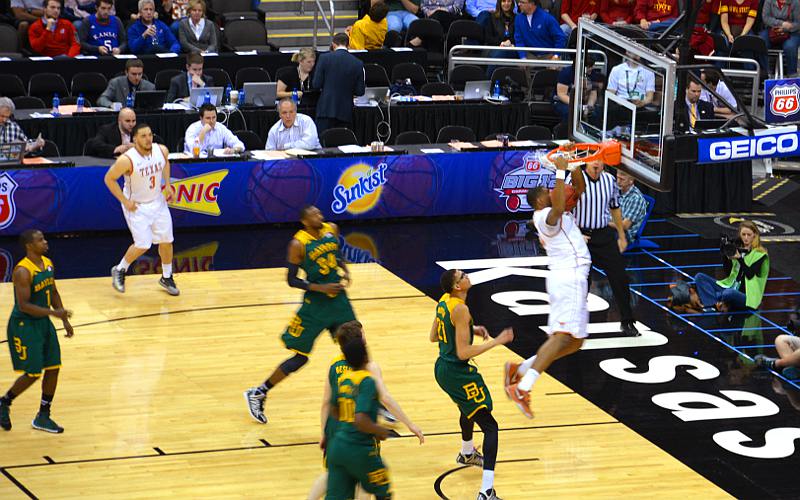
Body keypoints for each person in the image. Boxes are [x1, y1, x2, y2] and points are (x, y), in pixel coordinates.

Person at [243, 205, 356, 424]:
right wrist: (320, 288)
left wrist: (345, 269)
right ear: (304, 221)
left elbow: (335, 252)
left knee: (356, 348)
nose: (319, 217)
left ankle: (371, 401)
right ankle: (259, 392)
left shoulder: (331, 228)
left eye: (319, 213)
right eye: (314, 215)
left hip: (339, 301)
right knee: (299, 358)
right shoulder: (298, 244)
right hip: (314, 306)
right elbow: (292, 280)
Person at [504, 154, 589, 419]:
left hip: (570, 279)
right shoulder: (543, 216)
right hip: (568, 278)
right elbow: (559, 207)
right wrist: (560, 172)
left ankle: (519, 370)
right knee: (562, 337)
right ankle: (523, 387)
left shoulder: (555, 209)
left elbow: (580, 189)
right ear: (541, 199)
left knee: (575, 343)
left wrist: (574, 164)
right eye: (548, 191)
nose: (553, 193)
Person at [307, 320, 424, 500]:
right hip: (360, 435)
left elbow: (326, 403)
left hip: (336, 432)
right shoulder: (369, 369)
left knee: (333, 475)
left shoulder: (335, 365)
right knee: (365, 481)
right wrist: (409, 424)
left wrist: (324, 432)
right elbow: (385, 398)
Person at [432, 269, 513, 500]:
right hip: (458, 372)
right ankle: (486, 491)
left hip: (442, 368)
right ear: (457, 287)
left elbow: (435, 335)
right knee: (490, 426)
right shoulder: (461, 309)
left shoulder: (444, 302)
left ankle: (467, 453)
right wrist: (497, 341)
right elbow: (463, 352)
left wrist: (469, 329)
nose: (467, 276)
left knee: (467, 409)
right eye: (463, 276)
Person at [0, 229, 74, 434]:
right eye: (40, 240)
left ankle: (43, 415)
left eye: (44, 239)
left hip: (43, 323)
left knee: (54, 367)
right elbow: (24, 305)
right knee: (33, 373)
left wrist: (64, 319)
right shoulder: (22, 271)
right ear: (29, 246)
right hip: (25, 325)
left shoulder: (48, 263)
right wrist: (55, 313)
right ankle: (4, 402)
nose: (45, 242)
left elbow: (53, 291)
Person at [103, 123, 179, 296]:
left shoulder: (161, 150)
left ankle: (167, 277)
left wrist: (167, 184)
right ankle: (120, 269)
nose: (148, 139)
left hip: (157, 202)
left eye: (150, 135)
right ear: (135, 139)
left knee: (167, 240)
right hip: (136, 206)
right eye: (143, 136)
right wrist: (124, 200)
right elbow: (109, 179)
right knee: (143, 244)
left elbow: (165, 163)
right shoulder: (126, 160)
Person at [570, 153, 639, 336]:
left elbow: (615, 208)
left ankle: (627, 321)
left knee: (620, 277)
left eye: (600, 160)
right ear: (586, 161)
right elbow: (565, 209)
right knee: (582, 281)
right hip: (581, 235)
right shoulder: (575, 178)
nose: (597, 163)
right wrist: (573, 234)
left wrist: (622, 236)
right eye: (593, 159)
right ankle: (575, 323)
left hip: (604, 235)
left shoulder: (609, 180)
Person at [324, 336, 393, 500]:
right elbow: (361, 419)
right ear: (366, 356)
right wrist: (380, 430)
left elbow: (333, 409)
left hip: (337, 446)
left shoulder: (343, 379)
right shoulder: (367, 381)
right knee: (383, 492)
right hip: (359, 449)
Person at [693, 220, 769, 312]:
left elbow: (750, 274)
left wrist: (740, 258)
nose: (746, 238)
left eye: (749, 235)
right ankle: (712, 305)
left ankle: (712, 298)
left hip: (747, 296)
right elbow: (728, 272)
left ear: (755, 235)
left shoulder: (760, 254)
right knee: (699, 277)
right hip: (730, 286)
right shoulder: (737, 248)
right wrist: (725, 255)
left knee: (728, 293)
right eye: (743, 234)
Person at [312, 33, 365, 135]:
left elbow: (316, 84)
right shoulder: (358, 63)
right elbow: (360, 91)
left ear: (333, 44)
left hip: (326, 108)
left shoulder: (324, 58)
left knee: (322, 144)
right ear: (348, 45)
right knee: (341, 145)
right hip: (346, 111)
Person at [759, 0, 800, 77]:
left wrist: (785, 29)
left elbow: (798, 23)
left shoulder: (795, 2)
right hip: (771, 29)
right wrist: (781, 24)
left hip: (792, 31)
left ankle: (792, 75)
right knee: (761, 42)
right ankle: (766, 73)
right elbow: (765, 18)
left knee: (790, 47)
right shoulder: (769, 1)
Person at [553, 57, 599, 121]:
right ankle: (567, 130)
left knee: (595, 113)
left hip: (582, 102)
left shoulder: (592, 73)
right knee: (570, 112)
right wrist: (577, 105)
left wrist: (589, 106)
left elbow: (593, 93)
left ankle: (590, 130)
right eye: (589, 66)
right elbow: (561, 95)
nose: (592, 68)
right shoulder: (566, 73)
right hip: (563, 102)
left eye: (592, 66)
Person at [610, 170, 647, 244]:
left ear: (631, 181)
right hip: (614, 227)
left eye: (622, 179)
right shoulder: (618, 191)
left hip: (626, 235)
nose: (618, 182)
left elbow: (624, 226)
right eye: (618, 178)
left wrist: (603, 222)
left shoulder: (636, 199)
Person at [484, 0, 515, 77]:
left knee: (502, 53)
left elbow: (519, 36)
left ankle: (488, 83)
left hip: (512, 48)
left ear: (512, 3)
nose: (506, 4)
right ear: (499, 3)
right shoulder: (491, 17)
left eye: (509, 1)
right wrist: (501, 43)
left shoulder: (517, 18)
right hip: (494, 47)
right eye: (503, 1)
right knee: (499, 54)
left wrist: (510, 41)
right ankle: (488, 81)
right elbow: (488, 38)